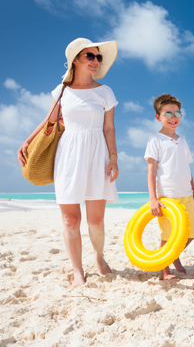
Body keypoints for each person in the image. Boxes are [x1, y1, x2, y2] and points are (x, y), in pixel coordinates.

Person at [17, 38, 119, 286]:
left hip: (97, 154)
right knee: (70, 220)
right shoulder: (62, 90)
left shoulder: (105, 92)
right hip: (68, 155)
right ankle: (77, 271)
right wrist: (28, 141)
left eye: (98, 57)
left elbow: (108, 128)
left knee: (95, 220)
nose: (96, 60)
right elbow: (49, 120)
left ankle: (99, 257)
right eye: (90, 56)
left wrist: (114, 157)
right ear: (76, 59)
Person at [145, 93, 194, 280]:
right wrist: (153, 198)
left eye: (177, 113)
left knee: (192, 232)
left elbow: (188, 170)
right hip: (167, 196)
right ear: (158, 117)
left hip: (186, 194)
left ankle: (174, 255)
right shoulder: (155, 140)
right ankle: (165, 271)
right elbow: (151, 171)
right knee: (168, 236)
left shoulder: (182, 141)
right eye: (167, 113)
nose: (173, 117)